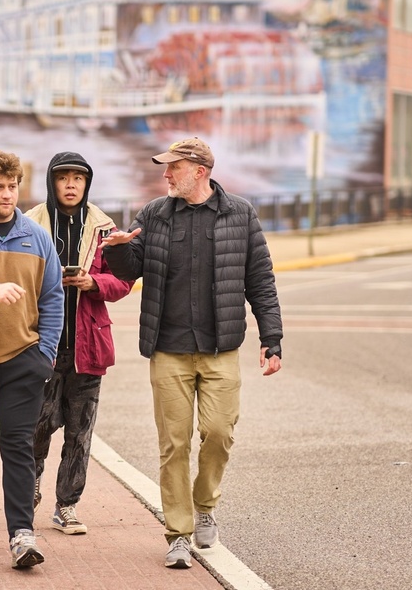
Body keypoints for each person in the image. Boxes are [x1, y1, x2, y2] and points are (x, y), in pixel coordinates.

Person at [102, 137, 283, 569]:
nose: (165, 175)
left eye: (174, 168)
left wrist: (271, 338)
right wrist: (119, 250)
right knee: (173, 444)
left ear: (199, 171)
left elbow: (260, 279)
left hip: (220, 348)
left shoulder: (240, 214)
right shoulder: (154, 214)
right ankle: (179, 532)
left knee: (219, 433)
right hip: (168, 349)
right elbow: (131, 271)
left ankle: (205, 505)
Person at [0, 149, 64, 569]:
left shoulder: (36, 236)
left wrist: (45, 354)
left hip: (23, 360)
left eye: (13, 185)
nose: (8, 194)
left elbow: (53, 296)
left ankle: (22, 535)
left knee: (18, 448)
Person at [25, 152, 134, 534]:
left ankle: (66, 505)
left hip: (87, 348)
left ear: (87, 184)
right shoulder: (30, 224)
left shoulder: (104, 227)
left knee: (79, 432)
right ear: (52, 183)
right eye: (63, 178)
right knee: (35, 428)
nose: (71, 185)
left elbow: (122, 280)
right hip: (40, 347)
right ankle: (30, 488)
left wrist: (93, 283)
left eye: (78, 178)